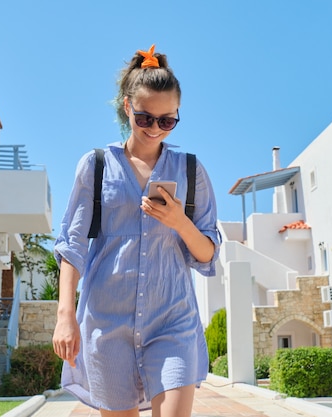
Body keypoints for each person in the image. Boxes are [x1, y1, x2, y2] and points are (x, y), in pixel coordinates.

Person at [52, 44, 220, 416]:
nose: (155, 129)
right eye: (145, 118)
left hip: (172, 320)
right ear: (127, 107)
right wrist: (66, 314)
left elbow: (207, 253)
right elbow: (72, 245)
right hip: (106, 324)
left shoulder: (191, 171)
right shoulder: (96, 166)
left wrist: (180, 222)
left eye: (167, 121)